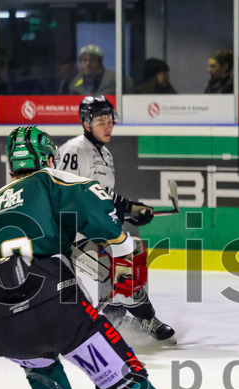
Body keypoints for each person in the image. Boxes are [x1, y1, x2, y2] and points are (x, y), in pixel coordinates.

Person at [0, 126, 199, 389]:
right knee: (126, 381)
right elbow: (101, 218)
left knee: (40, 369)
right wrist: (122, 242)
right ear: (48, 157)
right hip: (56, 308)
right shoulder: (51, 179)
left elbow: (34, 229)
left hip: (2, 324)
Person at [57, 96, 176, 343]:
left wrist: (132, 210)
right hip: (72, 239)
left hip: (95, 233)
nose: (107, 125)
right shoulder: (74, 151)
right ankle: (143, 318)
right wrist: (124, 209)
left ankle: (116, 318)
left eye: (110, 120)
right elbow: (66, 195)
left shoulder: (106, 155)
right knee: (119, 270)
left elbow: (102, 196)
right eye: (100, 120)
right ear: (86, 123)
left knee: (133, 250)